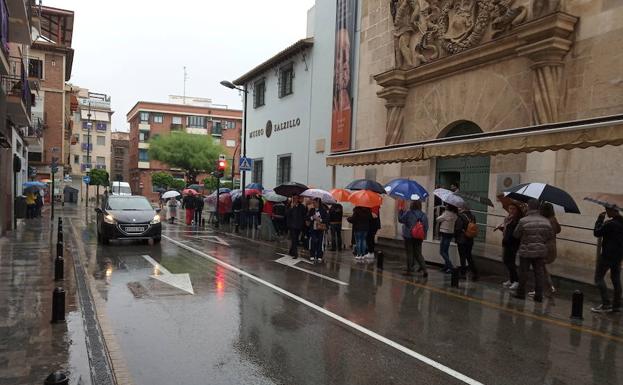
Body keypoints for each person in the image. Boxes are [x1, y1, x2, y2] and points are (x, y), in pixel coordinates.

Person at [513, 199, 554, 302]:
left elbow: (516, 234)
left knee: (523, 272)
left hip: (526, 250)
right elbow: (550, 235)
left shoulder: (523, 220)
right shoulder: (546, 221)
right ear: (538, 207)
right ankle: (539, 296)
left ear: (529, 207)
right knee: (539, 273)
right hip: (540, 250)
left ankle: (521, 293)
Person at [591, 206, 623, 313]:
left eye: (608, 210)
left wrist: (599, 220)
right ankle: (617, 305)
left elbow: (597, 232)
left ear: (613, 210)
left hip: (607, 255)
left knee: (598, 278)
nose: (606, 212)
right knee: (616, 279)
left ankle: (606, 304)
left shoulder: (610, 224)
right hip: (618, 256)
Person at [398, 200, 429, 277]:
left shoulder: (409, 213)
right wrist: (422, 235)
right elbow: (426, 227)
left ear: (412, 205)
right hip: (419, 237)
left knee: (410, 253)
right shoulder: (423, 215)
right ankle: (424, 269)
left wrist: (400, 211)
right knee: (418, 253)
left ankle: (409, 270)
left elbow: (401, 220)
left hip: (409, 236)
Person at [497, 203, 522, 290]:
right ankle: (511, 279)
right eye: (510, 209)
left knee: (510, 262)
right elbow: (505, 232)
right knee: (505, 260)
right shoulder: (509, 219)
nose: (511, 211)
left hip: (513, 243)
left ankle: (516, 280)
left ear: (517, 210)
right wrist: (505, 223)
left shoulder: (519, 220)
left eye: (513, 209)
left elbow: (517, 233)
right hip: (506, 242)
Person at [537, 202, 561, 296]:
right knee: (542, 268)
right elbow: (558, 230)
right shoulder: (553, 219)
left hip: (545, 247)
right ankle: (548, 288)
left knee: (540, 268)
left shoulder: (546, 221)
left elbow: (544, 235)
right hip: (552, 247)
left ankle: (548, 288)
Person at [455, 206, 479, 281]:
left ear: (462, 209)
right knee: (469, 256)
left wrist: (456, 235)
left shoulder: (461, 217)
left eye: (460, 208)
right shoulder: (472, 216)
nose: (458, 209)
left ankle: (463, 273)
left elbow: (458, 228)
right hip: (470, 239)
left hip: (462, 240)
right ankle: (475, 272)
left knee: (462, 257)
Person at [436, 204, 458, 273]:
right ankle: (446, 266)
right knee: (446, 250)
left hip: (444, 232)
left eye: (447, 205)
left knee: (442, 251)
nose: (445, 206)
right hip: (450, 233)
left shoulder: (446, 213)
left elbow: (438, 219)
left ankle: (450, 266)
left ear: (449, 207)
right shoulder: (455, 214)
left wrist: (443, 215)